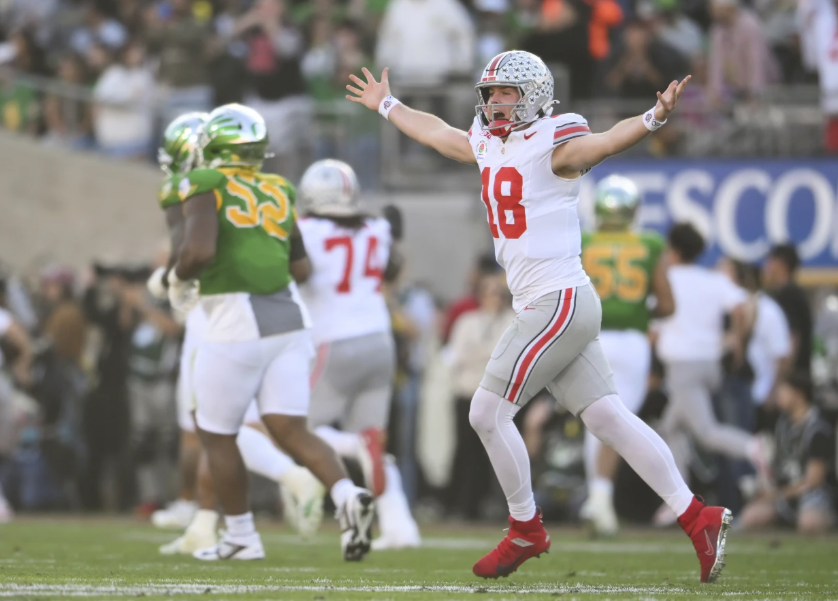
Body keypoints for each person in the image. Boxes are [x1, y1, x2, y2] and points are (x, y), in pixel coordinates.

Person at [346, 52, 731, 583]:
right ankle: (698, 517)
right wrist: (387, 105)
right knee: (607, 418)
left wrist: (652, 118)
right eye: (490, 93)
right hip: (553, 304)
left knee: (485, 412)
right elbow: (438, 133)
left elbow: (605, 142)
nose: (494, 102)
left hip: (558, 301)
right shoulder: (486, 141)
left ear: (533, 95)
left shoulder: (554, 143)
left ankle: (525, 526)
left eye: (506, 93)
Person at [163, 104, 373, 561]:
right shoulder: (279, 187)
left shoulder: (204, 182)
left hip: (237, 318)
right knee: (291, 429)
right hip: (290, 321)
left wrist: (177, 277)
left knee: (215, 434)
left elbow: (196, 250)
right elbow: (300, 267)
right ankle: (344, 494)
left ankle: (241, 536)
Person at [148, 112, 325, 553]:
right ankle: (208, 523)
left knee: (209, 426)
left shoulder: (194, 184)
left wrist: (167, 279)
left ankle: (238, 510)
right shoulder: (267, 184)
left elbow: (188, 253)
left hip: (221, 311)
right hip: (273, 311)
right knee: (231, 424)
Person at [296, 159, 421, 550]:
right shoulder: (378, 228)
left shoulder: (304, 230)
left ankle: (352, 448)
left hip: (335, 340)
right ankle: (400, 526)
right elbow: (391, 267)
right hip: (380, 339)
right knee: (374, 439)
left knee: (296, 430)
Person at [578, 174, 675, 537]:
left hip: (590, 338)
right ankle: (600, 499)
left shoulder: (583, 241)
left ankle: (597, 500)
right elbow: (667, 304)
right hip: (632, 343)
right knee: (616, 421)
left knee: (596, 423)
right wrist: (637, 309)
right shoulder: (649, 243)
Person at [655, 224, 770, 522]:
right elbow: (742, 306)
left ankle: (753, 447)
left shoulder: (667, 279)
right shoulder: (712, 280)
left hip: (684, 366)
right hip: (709, 365)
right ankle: (679, 501)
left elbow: (654, 319)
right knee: (671, 428)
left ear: (674, 249)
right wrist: (736, 340)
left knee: (705, 432)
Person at [740, 372, 836, 532]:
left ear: (798, 394)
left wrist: (779, 494)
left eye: (783, 391)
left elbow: (814, 481)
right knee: (751, 516)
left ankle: (829, 520)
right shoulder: (782, 425)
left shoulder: (817, 430)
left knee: (809, 522)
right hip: (786, 495)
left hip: (814, 496)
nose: (778, 396)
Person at [762, 244, 812, 378]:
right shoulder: (783, 293)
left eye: (770, 261)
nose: (767, 266)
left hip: (792, 375)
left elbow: (792, 336)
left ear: (781, 264)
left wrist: (782, 376)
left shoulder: (789, 294)